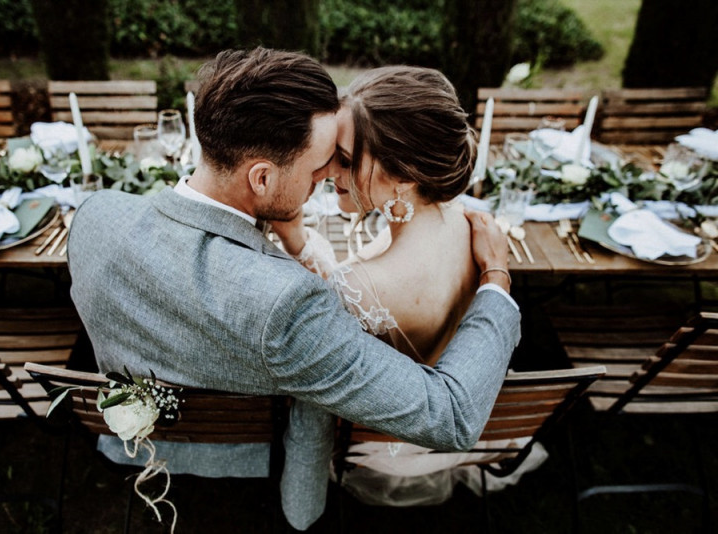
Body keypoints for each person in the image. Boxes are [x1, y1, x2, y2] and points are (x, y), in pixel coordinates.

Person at [67, 47, 520, 531]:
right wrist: (496, 278)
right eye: (319, 165)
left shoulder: (95, 215)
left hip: (132, 446)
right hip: (249, 476)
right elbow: (451, 415)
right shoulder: (287, 307)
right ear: (261, 177)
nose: (327, 178)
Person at [272, 66, 542, 506]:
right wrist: (298, 237)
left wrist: (293, 244)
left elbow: (339, 303)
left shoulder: (360, 284)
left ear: (404, 176)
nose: (326, 170)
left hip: (385, 436)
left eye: (345, 159)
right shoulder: (462, 218)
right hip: (454, 392)